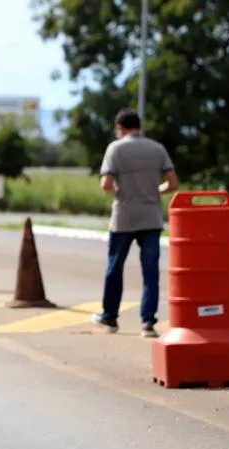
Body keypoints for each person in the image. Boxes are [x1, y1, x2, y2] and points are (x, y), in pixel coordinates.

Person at [91, 109, 179, 338]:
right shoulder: (157, 149)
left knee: (115, 266)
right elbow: (173, 183)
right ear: (139, 126)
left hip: (124, 216)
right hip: (151, 216)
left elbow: (106, 183)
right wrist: (155, 190)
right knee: (150, 271)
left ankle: (110, 317)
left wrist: (119, 191)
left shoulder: (115, 148)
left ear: (120, 126)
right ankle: (148, 322)